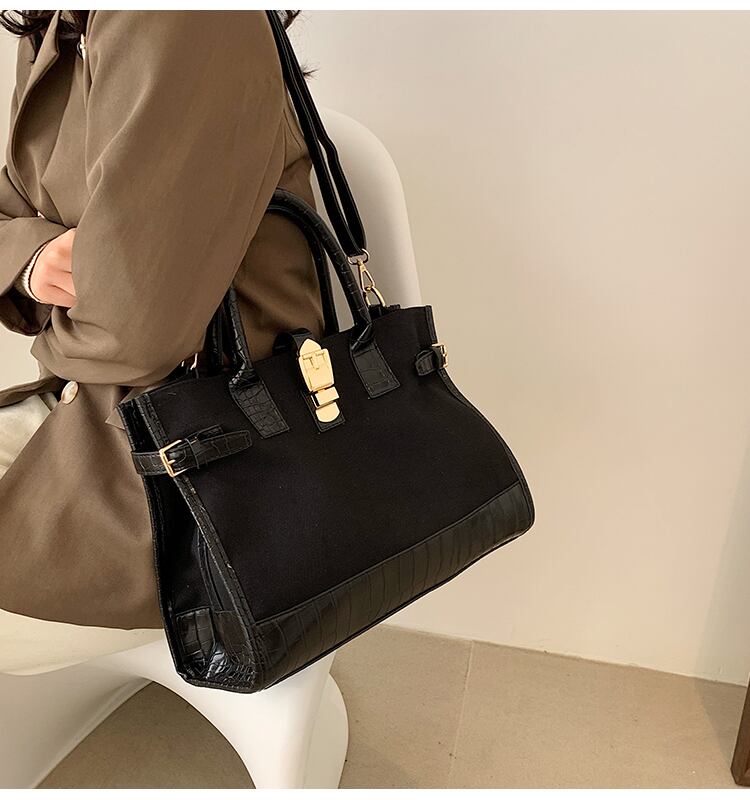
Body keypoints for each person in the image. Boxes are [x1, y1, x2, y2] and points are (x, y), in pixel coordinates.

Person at [0, 10, 324, 673]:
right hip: (108, 405)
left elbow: (134, 329)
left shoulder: (182, 17)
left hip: (207, 460)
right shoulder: (61, 22)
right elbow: (15, 204)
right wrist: (31, 258)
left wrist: (68, 303)